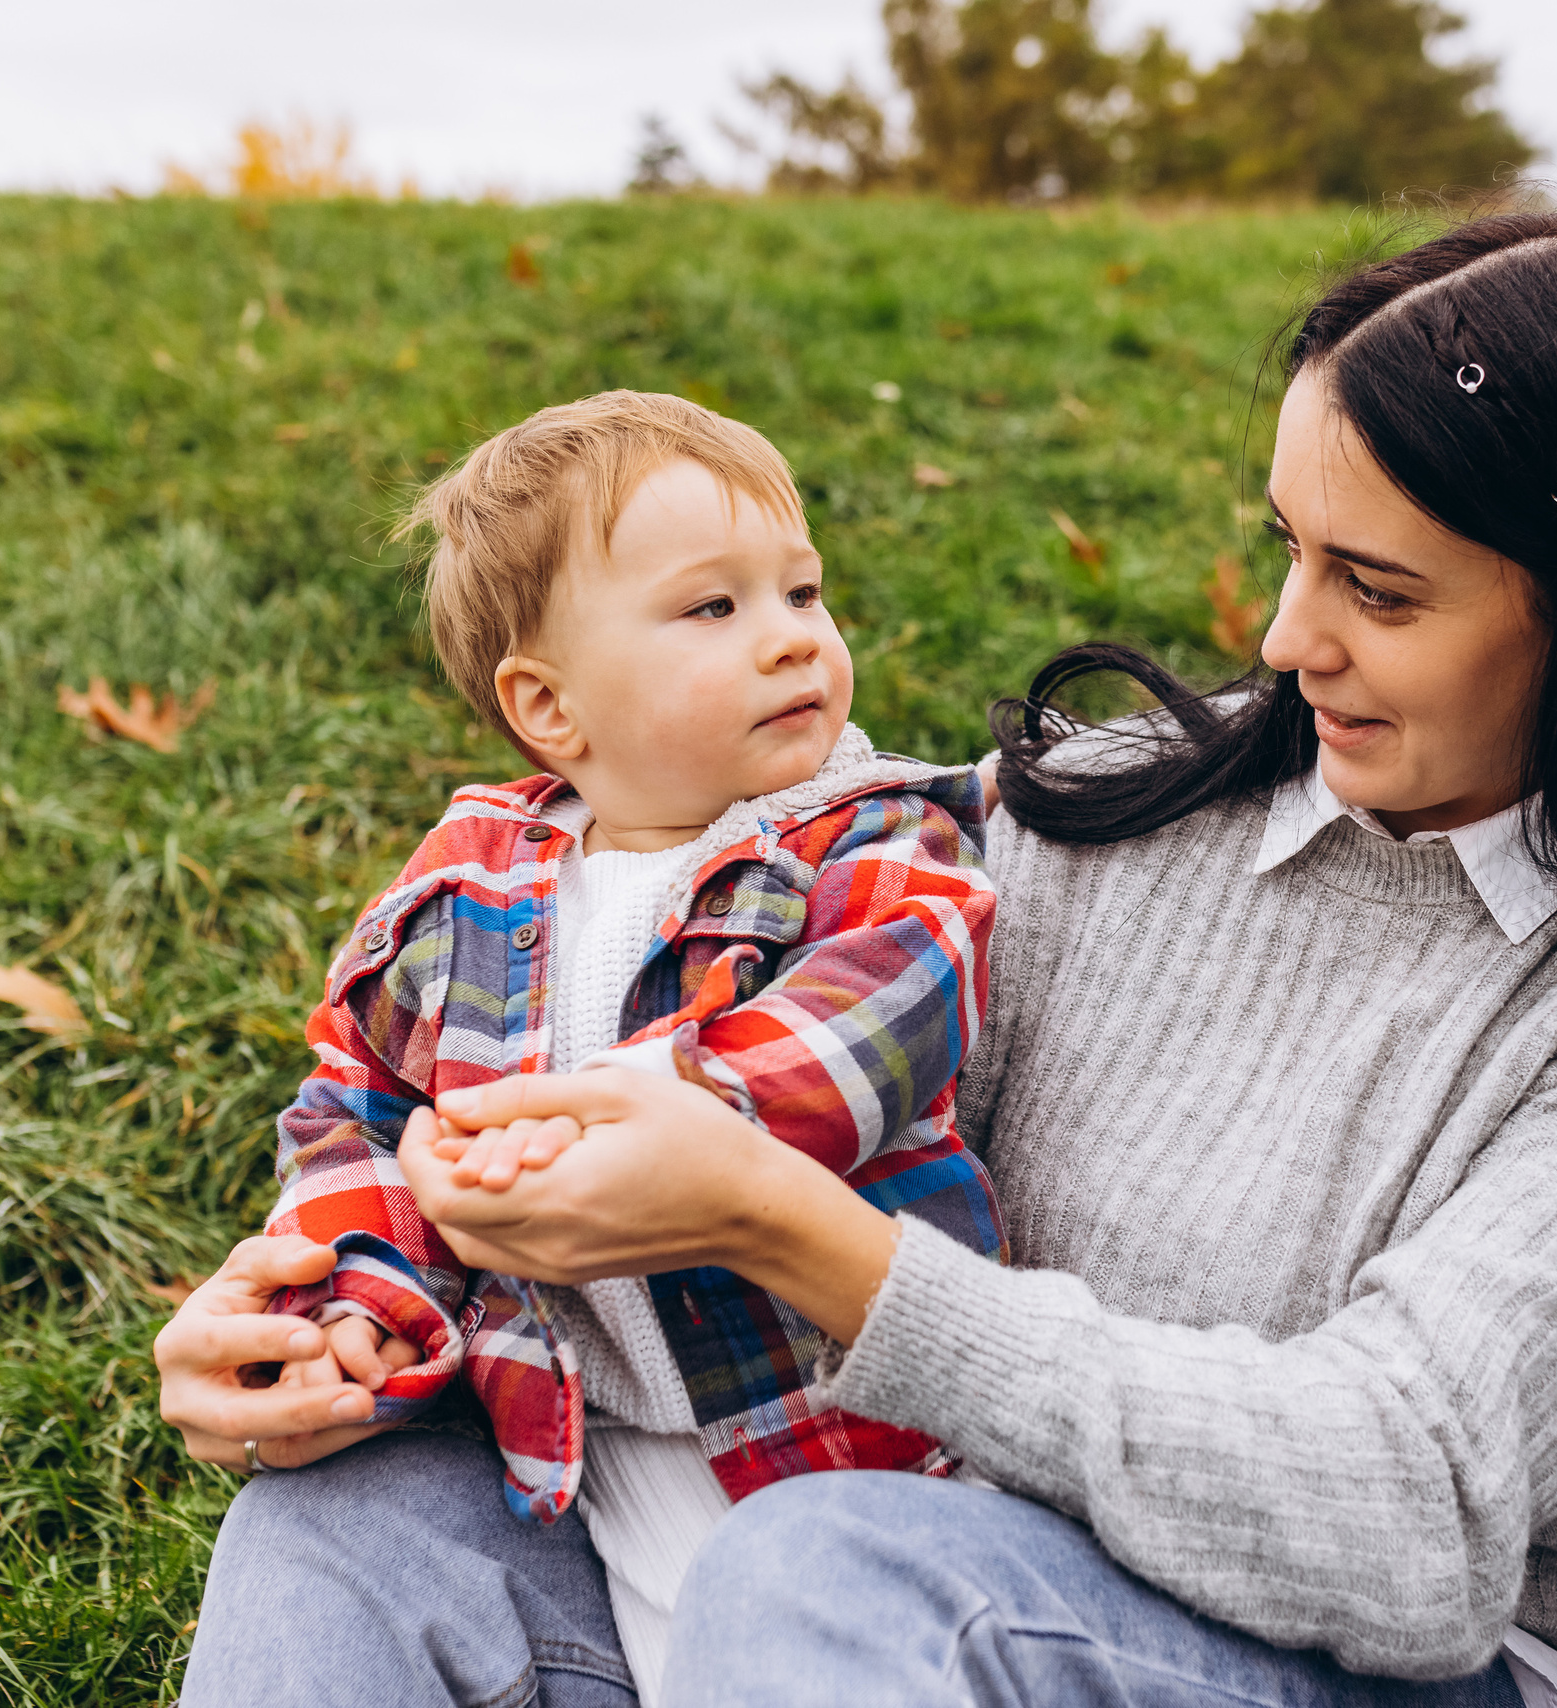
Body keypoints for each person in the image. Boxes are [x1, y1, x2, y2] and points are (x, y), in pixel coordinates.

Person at [156, 212, 1557, 1707]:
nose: (1282, 639)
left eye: (1379, 592)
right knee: (348, 1523)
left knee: (836, 1577)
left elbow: (1408, 1522)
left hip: (1354, 1661)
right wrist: (323, 1307)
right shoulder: (1096, 816)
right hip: (885, 1577)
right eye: (1291, 549)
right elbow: (678, 996)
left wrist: (802, 1237)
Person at [179, 390, 1005, 1705]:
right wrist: (351, 1309)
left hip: (856, 1461)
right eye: (713, 609)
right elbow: (362, 1105)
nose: (793, 641)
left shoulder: (877, 840)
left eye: (803, 592)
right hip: (598, 1473)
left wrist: (603, 1118)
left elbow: (858, 1044)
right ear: (551, 711)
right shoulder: (472, 888)